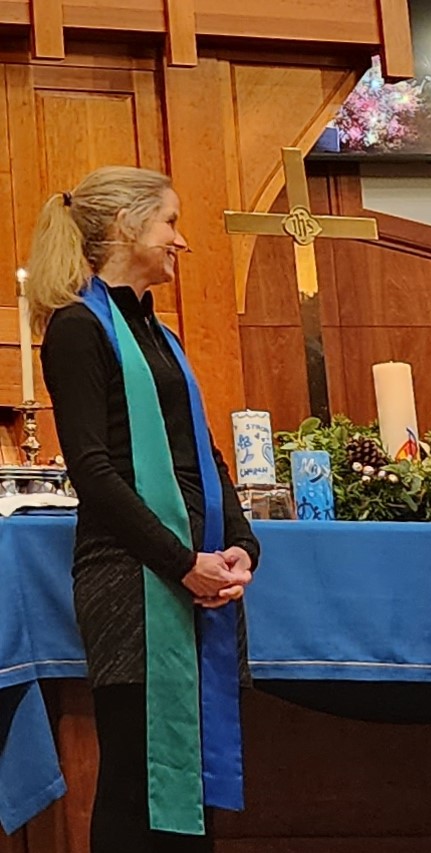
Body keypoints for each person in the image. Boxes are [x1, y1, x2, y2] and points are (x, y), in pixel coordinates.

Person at [28, 166, 260, 852]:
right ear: (127, 226)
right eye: (170, 222)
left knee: (194, 779)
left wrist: (240, 541)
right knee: (138, 777)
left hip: (194, 571)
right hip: (130, 577)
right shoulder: (76, 328)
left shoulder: (162, 336)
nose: (180, 240)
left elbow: (204, 457)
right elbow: (93, 472)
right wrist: (180, 560)